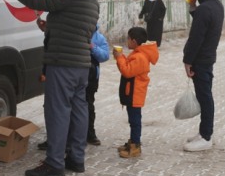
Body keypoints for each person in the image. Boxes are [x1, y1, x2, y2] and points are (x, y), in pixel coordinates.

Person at [0, 0, 100, 176]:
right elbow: (79, 30)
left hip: (63, 64)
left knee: (57, 112)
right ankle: (76, 159)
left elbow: (37, 1)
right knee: (78, 110)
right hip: (81, 65)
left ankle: (54, 164)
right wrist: (51, 28)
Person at [37, 23, 109, 149]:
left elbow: (105, 56)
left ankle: (89, 135)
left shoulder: (99, 37)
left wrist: (93, 47)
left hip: (90, 78)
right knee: (65, 107)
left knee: (86, 106)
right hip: (70, 75)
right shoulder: (70, 32)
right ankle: (62, 139)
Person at [182, 0, 224, 152]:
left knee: (205, 97)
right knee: (204, 96)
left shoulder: (205, 9)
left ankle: (206, 136)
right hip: (208, 57)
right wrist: (193, 7)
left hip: (200, 59)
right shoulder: (215, 6)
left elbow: (196, 37)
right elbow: (202, 22)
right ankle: (204, 132)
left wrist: (187, 60)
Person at [113, 26, 159, 158]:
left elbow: (127, 71)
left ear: (134, 41)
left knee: (135, 121)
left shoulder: (140, 57)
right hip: (132, 93)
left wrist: (119, 57)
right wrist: (121, 58)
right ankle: (133, 142)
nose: (126, 41)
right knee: (133, 119)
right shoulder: (138, 53)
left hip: (135, 94)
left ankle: (135, 146)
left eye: (128, 39)